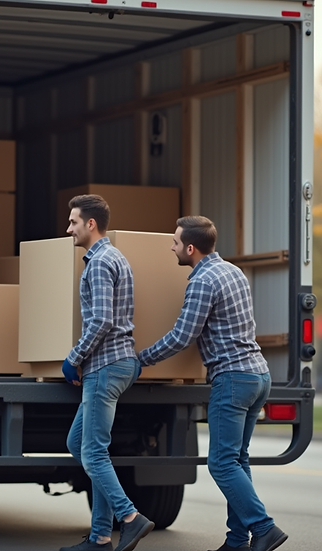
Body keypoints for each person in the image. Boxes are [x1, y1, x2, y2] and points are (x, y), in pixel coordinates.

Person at [136, 216, 287, 551]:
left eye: (175, 242)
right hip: (258, 375)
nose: (171, 247)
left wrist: (140, 359)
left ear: (190, 248)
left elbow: (182, 336)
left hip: (232, 379)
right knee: (238, 460)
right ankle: (236, 542)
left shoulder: (202, 281)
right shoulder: (234, 271)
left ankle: (264, 528)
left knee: (221, 463)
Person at [59, 194, 154, 551]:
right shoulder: (116, 257)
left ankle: (130, 518)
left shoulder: (99, 263)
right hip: (119, 362)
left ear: (91, 224)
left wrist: (75, 357)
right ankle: (100, 537)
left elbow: (102, 319)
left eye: (73, 222)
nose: (69, 228)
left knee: (94, 453)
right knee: (80, 445)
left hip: (105, 364)